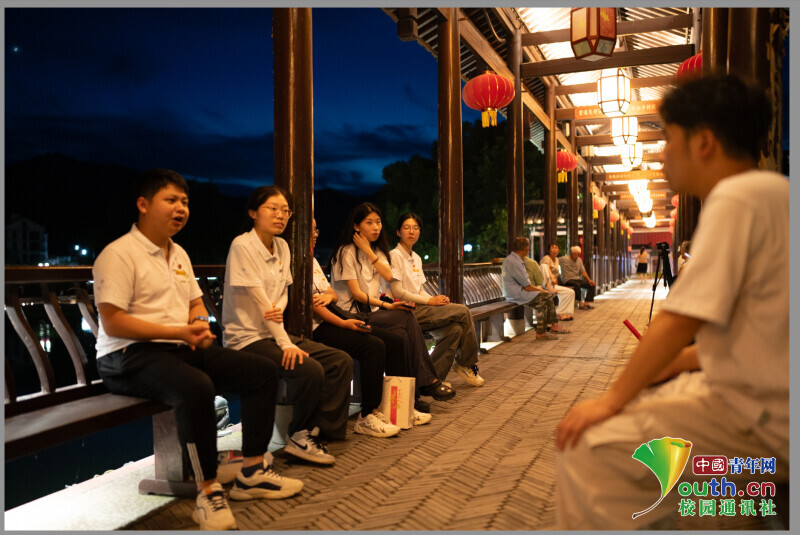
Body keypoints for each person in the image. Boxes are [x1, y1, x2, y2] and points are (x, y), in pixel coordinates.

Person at [555, 74, 788, 529]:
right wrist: (674, 364)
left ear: (703, 142)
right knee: (656, 408)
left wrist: (611, 399)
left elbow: (678, 319)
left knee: (591, 443)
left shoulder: (737, 198)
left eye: (668, 138)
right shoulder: (774, 193)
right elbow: (766, 337)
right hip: (763, 397)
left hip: (764, 418)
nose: (662, 153)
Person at [93, 169, 302, 531]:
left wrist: (199, 323)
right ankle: (207, 490)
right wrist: (179, 331)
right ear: (143, 204)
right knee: (197, 386)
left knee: (261, 370)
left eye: (185, 202)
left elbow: (195, 303)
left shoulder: (178, 253)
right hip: (127, 356)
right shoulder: (119, 254)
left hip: (178, 348)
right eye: (171, 200)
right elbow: (113, 322)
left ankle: (253, 470)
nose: (181, 208)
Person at [222, 186, 353, 465]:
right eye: (273, 209)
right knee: (309, 369)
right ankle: (298, 435)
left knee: (339, 361)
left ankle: (321, 432)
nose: (281, 215)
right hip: (247, 339)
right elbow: (259, 300)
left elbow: (282, 294)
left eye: (285, 211)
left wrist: (279, 314)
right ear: (253, 212)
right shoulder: (242, 246)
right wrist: (285, 343)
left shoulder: (282, 246)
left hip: (274, 333)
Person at [330, 202, 454, 414]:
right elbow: (357, 294)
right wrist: (387, 305)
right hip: (353, 314)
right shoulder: (346, 252)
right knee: (406, 318)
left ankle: (408, 399)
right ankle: (425, 384)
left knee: (402, 334)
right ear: (356, 226)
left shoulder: (377, 251)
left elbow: (388, 275)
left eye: (378, 222)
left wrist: (368, 251)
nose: (375, 227)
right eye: (369, 223)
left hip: (373, 313)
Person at [308, 218, 409, 435]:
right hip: (319, 327)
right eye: (310, 229)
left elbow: (331, 295)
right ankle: (367, 414)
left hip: (337, 318)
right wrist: (345, 323)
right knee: (374, 345)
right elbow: (314, 305)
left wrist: (328, 296)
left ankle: (398, 409)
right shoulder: (343, 252)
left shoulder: (312, 261)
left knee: (395, 340)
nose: (315, 234)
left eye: (316, 229)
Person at [387, 213, 484, 386]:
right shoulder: (394, 255)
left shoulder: (416, 258)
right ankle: (466, 364)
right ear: (398, 232)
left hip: (421, 308)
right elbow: (397, 292)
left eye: (415, 228)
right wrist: (430, 302)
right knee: (463, 311)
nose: (411, 232)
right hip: (405, 310)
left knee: (455, 330)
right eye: (407, 228)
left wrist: (434, 299)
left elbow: (420, 290)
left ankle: (432, 380)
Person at [501, 236, 570, 341]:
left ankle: (552, 327)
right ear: (526, 248)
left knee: (546, 297)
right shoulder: (515, 262)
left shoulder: (513, 259)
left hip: (517, 292)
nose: (529, 249)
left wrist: (542, 291)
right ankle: (543, 332)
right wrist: (541, 290)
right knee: (544, 299)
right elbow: (527, 286)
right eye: (528, 247)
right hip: (517, 294)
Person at [539, 243, 576, 321]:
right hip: (546, 284)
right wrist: (552, 278)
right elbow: (546, 269)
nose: (555, 249)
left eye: (556, 248)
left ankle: (562, 312)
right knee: (567, 292)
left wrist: (555, 281)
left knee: (570, 292)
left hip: (553, 285)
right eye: (553, 248)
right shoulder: (546, 258)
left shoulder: (557, 259)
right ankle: (560, 313)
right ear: (548, 250)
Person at [560, 245, 596, 310]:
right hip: (567, 279)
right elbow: (555, 260)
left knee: (591, 284)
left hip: (577, 279)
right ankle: (580, 303)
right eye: (575, 254)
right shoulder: (563, 259)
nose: (576, 256)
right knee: (577, 285)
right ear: (571, 253)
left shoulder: (579, 260)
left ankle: (586, 303)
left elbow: (583, 272)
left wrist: (589, 280)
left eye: (578, 255)